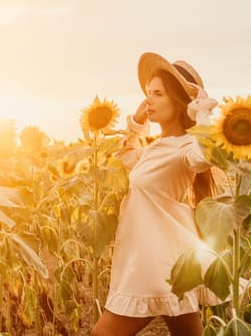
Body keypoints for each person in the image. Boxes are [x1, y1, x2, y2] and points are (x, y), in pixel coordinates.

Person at [91, 52, 222, 336]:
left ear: (179, 102)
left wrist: (202, 111)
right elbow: (124, 160)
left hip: (157, 265)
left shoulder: (185, 147)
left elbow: (206, 155)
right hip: (152, 259)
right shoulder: (155, 149)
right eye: (148, 93)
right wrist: (136, 124)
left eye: (158, 94)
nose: (148, 100)